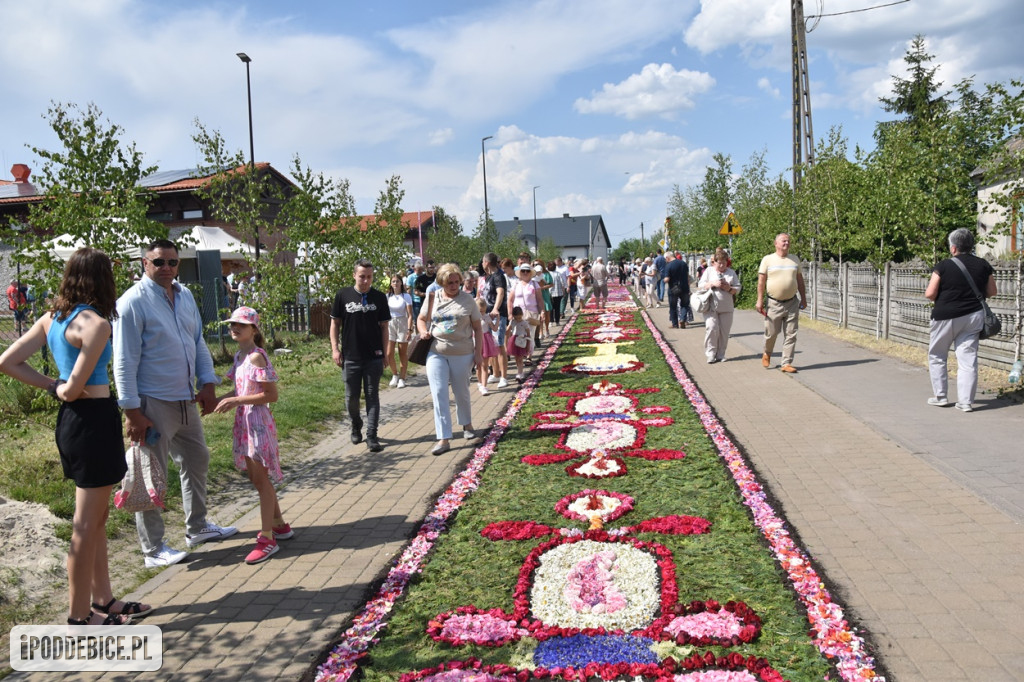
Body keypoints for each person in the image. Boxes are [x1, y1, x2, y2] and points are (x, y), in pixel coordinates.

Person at [1, 247, 152, 625]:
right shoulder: (97, 324)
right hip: (92, 422)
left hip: (73, 423)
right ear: (104, 280)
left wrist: (50, 384)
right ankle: (78, 617)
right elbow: (73, 389)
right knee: (85, 524)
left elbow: (8, 362)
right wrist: (59, 386)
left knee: (97, 519)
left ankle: (103, 600)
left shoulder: (52, 318)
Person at [114, 239, 237, 568]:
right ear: (145, 264)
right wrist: (131, 411)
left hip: (185, 398)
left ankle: (197, 528)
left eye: (172, 262)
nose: (166, 268)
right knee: (150, 474)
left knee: (197, 458)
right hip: (152, 402)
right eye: (159, 263)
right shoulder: (132, 303)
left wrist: (207, 382)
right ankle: (153, 550)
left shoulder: (184, 296)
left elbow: (196, 341)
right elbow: (123, 361)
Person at [213, 306, 292, 564]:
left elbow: (272, 395)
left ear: (253, 329)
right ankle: (279, 525)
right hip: (244, 421)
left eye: (241, 325)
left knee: (261, 480)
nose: (234, 328)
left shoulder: (257, 357)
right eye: (232, 324)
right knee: (258, 479)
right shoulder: (239, 357)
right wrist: (214, 401)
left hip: (257, 421)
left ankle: (267, 538)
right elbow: (238, 390)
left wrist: (235, 400)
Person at [924, 228, 997, 412]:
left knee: (938, 355)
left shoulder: (943, 265)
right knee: (968, 359)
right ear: (971, 246)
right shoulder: (983, 265)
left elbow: (930, 294)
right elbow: (992, 292)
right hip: (973, 317)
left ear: (953, 248)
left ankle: (940, 396)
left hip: (945, 317)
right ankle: (965, 402)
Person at [417, 264, 484, 456]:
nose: (454, 286)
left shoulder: (468, 300)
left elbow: (478, 328)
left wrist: (479, 354)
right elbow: (421, 319)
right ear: (441, 282)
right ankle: (444, 438)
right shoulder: (433, 297)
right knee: (438, 393)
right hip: (436, 351)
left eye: (457, 282)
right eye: (450, 282)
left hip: (462, 353)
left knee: (461, 391)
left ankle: (466, 424)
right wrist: (423, 331)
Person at [330, 259, 391, 453]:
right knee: (352, 398)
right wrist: (335, 348)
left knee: (372, 396)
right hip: (351, 356)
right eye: (362, 276)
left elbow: (384, 328)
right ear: (354, 275)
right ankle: (356, 424)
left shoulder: (380, 298)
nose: (365, 280)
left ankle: (372, 435)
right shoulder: (343, 295)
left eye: (369, 277)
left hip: (374, 356)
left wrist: (386, 352)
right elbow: (335, 324)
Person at [755, 233, 807, 373]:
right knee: (771, 333)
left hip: (792, 302)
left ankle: (786, 363)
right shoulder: (768, 260)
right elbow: (761, 282)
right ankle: (767, 353)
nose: (787, 243)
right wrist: (759, 300)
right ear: (776, 243)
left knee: (791, 333)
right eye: (783, 241)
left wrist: (804, 298)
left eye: (788, 241)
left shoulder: (794, 259)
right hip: (774, 303)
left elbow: (800, 281)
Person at [698, 247, 742, 363]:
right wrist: (713, 283)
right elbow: (700, 285)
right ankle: (710, 353)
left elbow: (738, 288)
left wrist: (729, 288)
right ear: (714, 262)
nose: (722, 266)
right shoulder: (709, 271)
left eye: (724, 263)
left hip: (726, 307)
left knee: (724, 332)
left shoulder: (731, 272)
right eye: (719, 263)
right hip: (711, 306)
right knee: (711, 328)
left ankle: (721, 354)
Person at [482, 253, 510, 388]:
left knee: (499, 345)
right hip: (487, 315)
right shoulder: (490, 276)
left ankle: (504, 377)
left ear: (486, 262)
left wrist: (496, 309)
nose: (482, 264)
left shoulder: (499, 276)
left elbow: (501, 293)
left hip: (497, 315)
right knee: (491, 345)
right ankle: (496, 373)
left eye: (483, 261)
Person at [386, 274, 414, 389]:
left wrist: (409, 329)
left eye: (397, 281)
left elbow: (410, 315)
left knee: (402, 353)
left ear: (401, 283)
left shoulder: (406, 296)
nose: (395, 284)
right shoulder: (387, 296)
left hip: (402, 323)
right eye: (393, 282)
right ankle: (395, 374)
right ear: (391, 284)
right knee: (389, 353)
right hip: (390, 323)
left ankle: (402, 377)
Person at [508, 262, 545, 341]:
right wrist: (510, 313)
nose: (525, 272)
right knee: (518, 336)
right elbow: (510, 300)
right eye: (523, 271)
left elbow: (540, 300)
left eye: (527, 271)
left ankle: (529, 353)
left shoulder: (535, 284)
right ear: (520, 272)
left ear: (531, 273)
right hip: (517, 315)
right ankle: (521, 353)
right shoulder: (516, 284)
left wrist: (542, 312)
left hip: (531, 314)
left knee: (529, 337)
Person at [506, 306, 537, 382]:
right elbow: (508, 330)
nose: (518, 320)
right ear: (513, 316)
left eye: (519, 318)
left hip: (522, 341)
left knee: (520, 358)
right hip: (514, 341)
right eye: (516, 318)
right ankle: (519, 372)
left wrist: (528, 344)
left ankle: (520, 373)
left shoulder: (524, 323)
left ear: (522, 315)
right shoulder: (512, 322)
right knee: (516, 358)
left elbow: (528, 334)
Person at [475, 298, 499, 395]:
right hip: (476, 341)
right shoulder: (473, 318)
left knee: (484, 365)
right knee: (478, 366)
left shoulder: (486, 317)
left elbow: (494, 328)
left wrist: (498, 319)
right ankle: (480, 382)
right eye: (480, 311)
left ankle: (484, 386)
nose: (482, 313)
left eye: (484, 310)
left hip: (486, 340)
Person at [663, 252, 691, 329]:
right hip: (684, 287)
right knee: (685, 305)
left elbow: (667, 279)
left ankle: (675, 324)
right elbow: (687, 276)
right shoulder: (683, 264)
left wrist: (663, 280)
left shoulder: (669, 266)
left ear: (667, 258)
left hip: (673, 288)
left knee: (673, 306)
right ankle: (682, 319)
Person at [548, 261, 566, 327]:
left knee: (551, 308)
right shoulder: (558, 274)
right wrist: (563, 292)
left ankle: (551, 321)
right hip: (558, 293)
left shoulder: (547, 274)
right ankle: (557, 321)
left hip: (550, 293)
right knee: (557, 308)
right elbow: (562, 284)